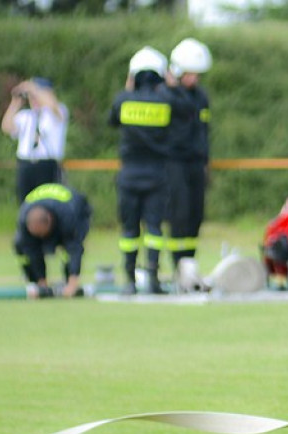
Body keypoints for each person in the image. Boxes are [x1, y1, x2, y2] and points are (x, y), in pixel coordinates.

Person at [108, 46, 190, 295]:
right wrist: (172, 85)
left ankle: (129, 281)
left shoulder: (123, 100)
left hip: (129, 175)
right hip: (157, 175)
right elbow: (187, 110)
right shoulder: (167, 101)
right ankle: (153, 279)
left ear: (133, 75)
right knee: (154, 228)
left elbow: (112, 121)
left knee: (129, 231)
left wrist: (128, 88)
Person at [166, 38, 213, 270]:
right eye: (190, 74)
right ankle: (178, 265)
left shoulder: (201, 97)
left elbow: (204, 131)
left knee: (195, 214)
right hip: (175, 163)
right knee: (180, 214)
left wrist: (205, 163)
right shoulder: (167, 95)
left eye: (197, 74)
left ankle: (190, 262)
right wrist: (173, 87)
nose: (195, 79)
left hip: (196, 164)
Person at [12, 182, 90, 299]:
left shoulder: (68, 217)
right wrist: (41, 284)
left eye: (42, 234)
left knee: (69, 249)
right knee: (20, 245)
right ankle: (37, 281)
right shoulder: (23, 219)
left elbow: (75, 248)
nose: (41, 238)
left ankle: (68, 278)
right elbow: (32, 251)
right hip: (45, 206)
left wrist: (72, 284)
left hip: (77, 209)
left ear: (49, 222)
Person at [1, 77, 69, 204]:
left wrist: (33, 89)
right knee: (25, 203)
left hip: (47, 164)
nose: (34, 98)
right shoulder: (25, 116)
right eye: (31, 96)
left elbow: (52, 105)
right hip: (25, 164)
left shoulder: (58, 111)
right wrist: (15, 103)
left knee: (48, 203)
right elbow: (7, 127)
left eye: (37, 94)